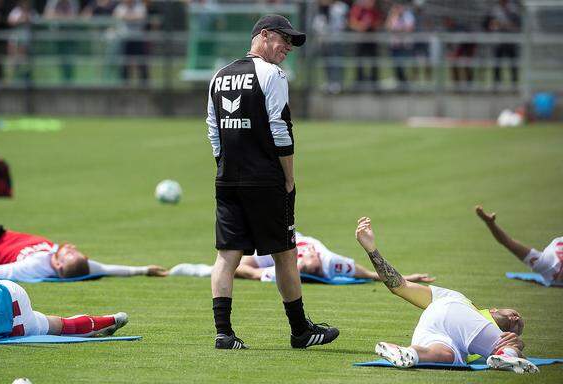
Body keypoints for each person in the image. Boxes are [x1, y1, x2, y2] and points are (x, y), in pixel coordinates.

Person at [206, 14, 339, 350]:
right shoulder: (273, 75)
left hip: (227, 179)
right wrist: (289, 178)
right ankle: (300, 331)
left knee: (227, 255)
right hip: (265, 180)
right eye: (285, 40)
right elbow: (280, 129)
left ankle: (224, 333)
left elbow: (213, 130)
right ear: (263, 36)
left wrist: (224, 166)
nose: (288, 49)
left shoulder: (219, 76)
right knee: (284, 253)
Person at [354, 216, 538, 373]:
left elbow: (399, 286)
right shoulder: (466, 305)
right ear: (493, 309)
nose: (516, 319)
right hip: (451, 311)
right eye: (515, 314)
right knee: (510, 348)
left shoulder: (477, 343)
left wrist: (371, 249)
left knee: (445, 356)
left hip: (434, 329)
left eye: (517, 325)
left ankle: (406, 352)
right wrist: (516, 346)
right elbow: (399, 286)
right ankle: (507, 356)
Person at [0, 215, 129, 343]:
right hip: (11, 308)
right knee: (59, 326)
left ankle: (109, 321)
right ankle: (109, 321)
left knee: (60, 326)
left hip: (10, 317)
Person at [0, 222, 168, 282]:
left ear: (59, 267)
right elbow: (106, 268)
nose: (71, 248)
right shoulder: (70, 262)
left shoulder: (36, 266)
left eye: (70, 254)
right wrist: (144, 270)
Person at [170, 232, 435, 284]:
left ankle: (194, 271)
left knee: (230, 265)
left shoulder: (278, 266)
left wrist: (254, 273)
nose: (306, 255)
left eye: (303, 262)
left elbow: (246, 270)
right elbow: (367, 274)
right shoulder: (330, 261)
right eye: (308, 258)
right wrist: (406, 278)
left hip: (271, 245)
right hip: (283, 233)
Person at [476, 205, 562, 286]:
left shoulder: (546, 264)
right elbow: (508, 242)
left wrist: (490, 224)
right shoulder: (547, 264)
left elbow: (507, 242)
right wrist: (490, 223)